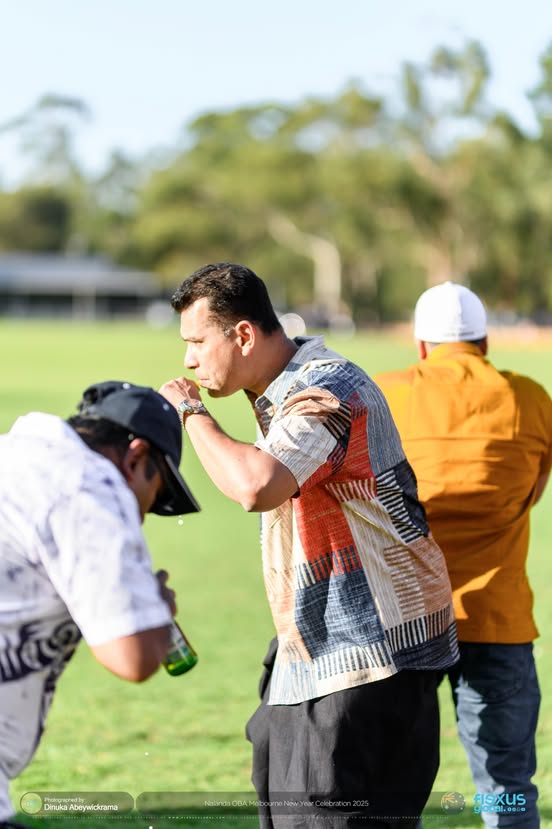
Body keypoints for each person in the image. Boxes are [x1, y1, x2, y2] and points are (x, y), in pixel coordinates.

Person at [159, 262, 459, 828]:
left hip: (366, 651)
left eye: (197, 342)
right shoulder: (283, 391)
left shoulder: (325, 389)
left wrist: (190, 411)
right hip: (335, 645)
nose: (189, 360)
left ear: (243, 334)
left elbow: (256, 486)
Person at [373, 281, 552, 829]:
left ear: (421, 345)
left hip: (404, 618)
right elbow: (531, 490)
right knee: (507, 788)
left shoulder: (384, 392)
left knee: (390, 788)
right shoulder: (530, 398)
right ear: (485, 341)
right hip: (497, 617)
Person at [0, 380, 200, 829]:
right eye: (159, 493)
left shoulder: (17, 458)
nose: (146, 513)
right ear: (136, 456)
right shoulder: (89, 485)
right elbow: (134, 657)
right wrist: (154, 610)